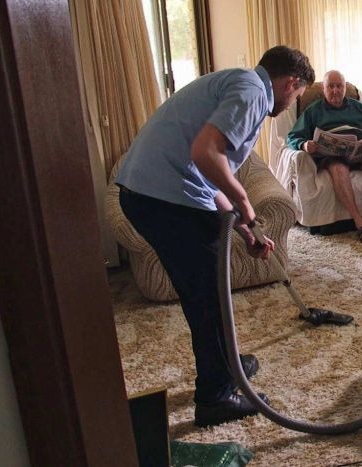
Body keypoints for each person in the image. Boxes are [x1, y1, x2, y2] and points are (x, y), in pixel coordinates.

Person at [116, 46, 315, 427]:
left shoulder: (238, 83)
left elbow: (206, 172)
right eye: (297, 95)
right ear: (291, 83)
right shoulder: (254, 93)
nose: (292, 102)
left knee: (206, 292)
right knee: (208, 297)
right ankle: (216, 397)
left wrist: (244, 226)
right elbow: (206, 152)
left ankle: (226, 365)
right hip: (165, 199)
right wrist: (243, 199)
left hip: (151, 194)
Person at [286, 70, 362, 244]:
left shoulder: (359, 108)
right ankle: (360, 224)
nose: (335, 90)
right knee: (338, 169)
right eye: (331, 86)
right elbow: (292, 136)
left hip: (361, 154)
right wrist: (304, 144)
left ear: (345, 88)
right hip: (333, 157)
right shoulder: (313, 111)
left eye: (339, 86)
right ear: (324, 88)